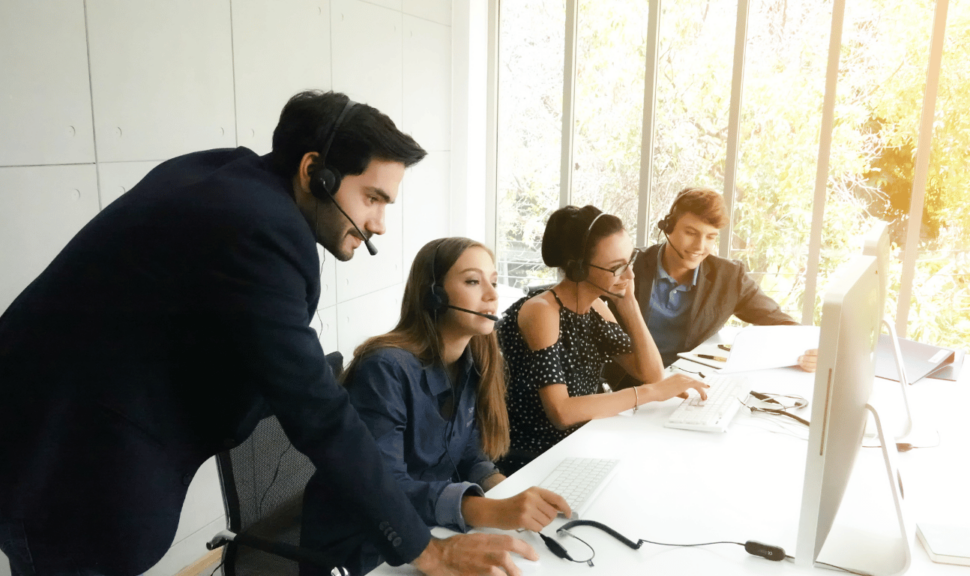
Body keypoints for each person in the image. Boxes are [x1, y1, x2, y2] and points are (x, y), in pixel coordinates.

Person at [0, 91, 532, 576]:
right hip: (49, 458)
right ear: (314, 173)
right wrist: (426, 548)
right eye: (372, 197)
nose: (379, 222)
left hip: (50, 432)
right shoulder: (260, 231)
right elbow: (317, 413)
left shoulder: (229, 178)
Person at [301, 237, 572, 575]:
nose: (491, 294)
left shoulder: (474, 363)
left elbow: (471, 457)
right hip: (365, 548)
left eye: (493, 281)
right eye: (473, 281)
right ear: (434, 295)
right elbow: (384, 487)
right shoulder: (385, 369)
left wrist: (513, 499)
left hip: (430, 532)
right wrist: (491, 512)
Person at [496, 205, 709, 475]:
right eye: (616, 268)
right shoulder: (542, 311)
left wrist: (629, 303)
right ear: (577, 269)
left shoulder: (595, 307)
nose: (630, 275)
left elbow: (652, 374)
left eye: (629, 261)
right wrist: (648, 394)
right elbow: (561, 413)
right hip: (538, 459)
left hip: (583, 444)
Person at [630, 187, 817, 373]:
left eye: (710, 237)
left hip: (691, 382)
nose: (700, 246)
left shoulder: (729, 277)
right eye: (691, 233)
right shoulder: (631, 265)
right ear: (668, 227)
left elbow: (782, 324)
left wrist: (810, 354)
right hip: (629, 381)